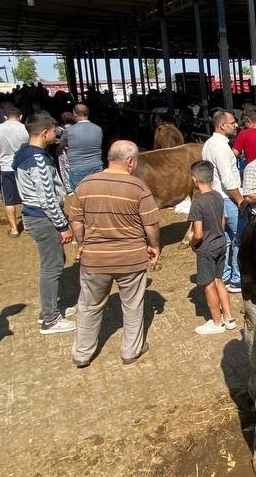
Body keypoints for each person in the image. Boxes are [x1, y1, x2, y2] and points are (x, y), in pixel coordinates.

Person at [68, 141, 161, 368]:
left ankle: (82, 354)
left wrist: (82, 243)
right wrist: (154, 246)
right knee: (132, 305)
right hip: (131, 258)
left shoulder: (85, 184)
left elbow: (75, 220)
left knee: (89, 306)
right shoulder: (138, 187)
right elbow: (151, 224)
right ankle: (131, 350)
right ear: (130, 161)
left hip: (94, 259)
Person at [13, 115, 77, 335]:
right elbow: (47, 199)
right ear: (44, 133)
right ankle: (50, 319)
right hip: (42, 218)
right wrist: (62, 225)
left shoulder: (24, 154)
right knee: (52, 267)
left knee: (55, 262)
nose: (55, 134)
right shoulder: (38, 161)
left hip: (37, 216)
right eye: (53, 131)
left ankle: (51, 309)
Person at [187, 161, 235, 336]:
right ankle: (229, 318)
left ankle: (216, 322)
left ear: (194, 180)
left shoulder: (197, 204)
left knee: (208, 285)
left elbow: (197, 233)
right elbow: (222, 222)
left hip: (206, 248)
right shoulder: (217, 196)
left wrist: (193, 243)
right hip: (221, 243)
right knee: (219, 280)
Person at [201, 110, 243, 293]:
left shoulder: (208, 144)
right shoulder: (221, 147)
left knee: (224, 238)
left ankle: (224, 274)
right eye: (232, 122)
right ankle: (237, 278)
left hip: (216, 197)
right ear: (222, 125)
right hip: (228, 198)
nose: (236, 125)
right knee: (239, 237)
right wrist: (240, 200)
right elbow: (228, 178)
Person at [0, 106, 28, 237]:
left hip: (6, 167)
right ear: (21, 116)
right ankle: (29, 224)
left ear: (4, 117)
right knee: (29, 195)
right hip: (25, 166)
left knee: (9, 200)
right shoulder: (26, 128)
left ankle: (14, 229)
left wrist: (4, 152)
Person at [59, 104, 104, 190]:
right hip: (97, 166)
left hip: (78, 168)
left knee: (79, 196)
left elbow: (61, 146)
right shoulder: (98, 129)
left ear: (74, 114)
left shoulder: (69, 130)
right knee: (96, 192)